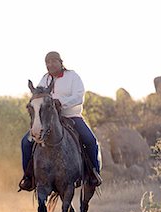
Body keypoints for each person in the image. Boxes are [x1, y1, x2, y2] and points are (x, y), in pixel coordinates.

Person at [19, 51, 102, 191]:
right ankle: (29, 177)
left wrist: (61, 102)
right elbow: (38, 97)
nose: (50, 65)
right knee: (25, 142)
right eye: (47, 63)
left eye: (53, 61)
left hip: (71, 117)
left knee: (90, 140)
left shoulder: (72, 77)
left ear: (60, 62)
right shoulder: (44, 79)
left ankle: (93, 174)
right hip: (48, 121)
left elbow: (78, 97)